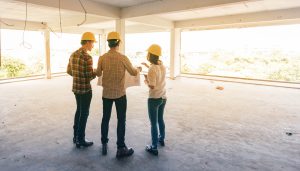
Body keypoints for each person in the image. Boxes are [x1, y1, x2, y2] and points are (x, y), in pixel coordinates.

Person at [96, 31, 142, 158]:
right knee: (121, 120)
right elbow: (133, 72)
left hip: (106, 94)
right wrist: (139, 69)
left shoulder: (102, 58)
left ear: (108, 43)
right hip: (120, 94)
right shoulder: (123, 58)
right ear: (118, 43)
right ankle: (120, 148)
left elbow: (98, 74)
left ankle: (104, 144)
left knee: (105, 118)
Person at [67, 32, 97, 148]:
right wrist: (95, 72)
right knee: (84, 113)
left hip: (76, 88)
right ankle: (81, 139)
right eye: (92, 43)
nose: (93, 46)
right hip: (85, 90)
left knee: (78, 111)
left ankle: (75, 137)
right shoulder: (87, 57)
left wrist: (77, 76)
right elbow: (89, 76)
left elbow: (69, 71)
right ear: (88, 42)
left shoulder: (73, 54)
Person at [142, 44, 167, 156]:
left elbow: (152, 85)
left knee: (153, 124)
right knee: (160, 119)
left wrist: (146, 80)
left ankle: (154, 147)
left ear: (150, 55)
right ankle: (161, 138)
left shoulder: (152, 69)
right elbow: (156, 70)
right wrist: (147, 66)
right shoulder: (161, 65)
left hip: (154, 98)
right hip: (163, 97)